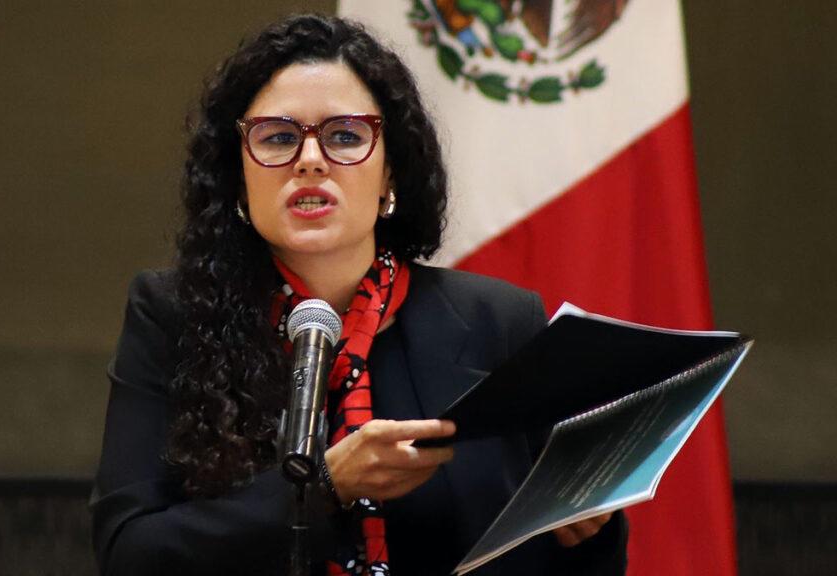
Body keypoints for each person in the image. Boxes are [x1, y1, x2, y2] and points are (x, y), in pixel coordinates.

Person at [90, 14, 627, 576]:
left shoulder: (499, 321)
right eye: (278, 137)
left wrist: (590, 531)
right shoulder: (174, 315)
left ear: (391, 172)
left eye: (345, 136)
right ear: (238, 177)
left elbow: (561, 553)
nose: (310, 159)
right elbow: (130, 553)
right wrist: (325, 487)